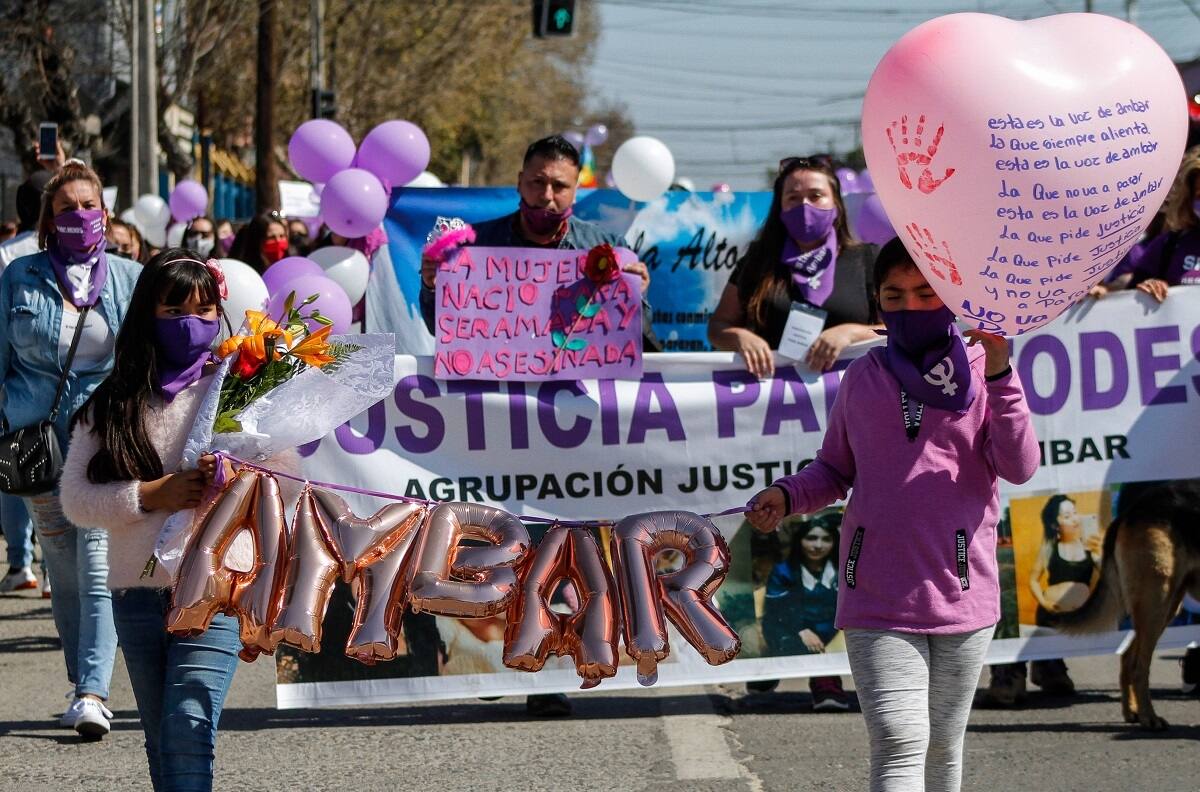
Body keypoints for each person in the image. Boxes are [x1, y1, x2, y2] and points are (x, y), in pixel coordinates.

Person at [746, 237, 1039, 791]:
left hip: (961, 593)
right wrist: (787, 496)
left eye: (927, 293)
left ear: (952, 297)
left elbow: (1020, 466)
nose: (910, 306)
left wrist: (1001, 376)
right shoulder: (862, 376)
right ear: (878, 305)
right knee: (901, 742)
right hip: (875, 593)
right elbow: (834, 470)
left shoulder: (983, 368)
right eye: (894, 294)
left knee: (943, 751)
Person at [60, 250, 243, 790]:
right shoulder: (112, 402)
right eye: (176, 310)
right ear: (146, 314)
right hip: (136, 593)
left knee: (189, 721)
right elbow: (75, 498)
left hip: (214, 588)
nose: (194, 323)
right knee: (163, 737)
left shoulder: (236, 390)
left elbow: (282, 476)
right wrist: (150, 494)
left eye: (206, 310)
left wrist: (236, 474)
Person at [0, 160, 142, 739]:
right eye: (67, 209)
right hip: (36, 439)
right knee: (62, 567)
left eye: (89, 206)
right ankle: (79, 678)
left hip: (101, 435)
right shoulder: (19, 276)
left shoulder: (130, 277)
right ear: (48, 220)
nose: (80, 216)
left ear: (104, 213)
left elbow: (143, 361)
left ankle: (92, 691)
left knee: (98, 558)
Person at [418, 134, 662, 354]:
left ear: (575, 191)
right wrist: (432, 287)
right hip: (497, 396)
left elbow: (635, 338)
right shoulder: (473, 247)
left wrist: (634, 297)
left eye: (559, 186)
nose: (546, 195)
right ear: (520, 182)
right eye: (537, 182)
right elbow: (438, 328)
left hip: (576, 397)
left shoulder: (609, 249)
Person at [708, 156, 880, 377]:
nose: (805, 206)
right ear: (780, 207)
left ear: (836, 203)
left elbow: (894, 330)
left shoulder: (867, 259)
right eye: (793, 198)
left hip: (852, 396)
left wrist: (851, 333)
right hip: (777, 402)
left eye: (816, 196)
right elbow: (718, 326)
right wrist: (739, 338)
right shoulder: (758, 261)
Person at [984, 495, 1102, 705]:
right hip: (1048, 613)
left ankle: (1049, 661)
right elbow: (1033, 580)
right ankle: (1009, 669)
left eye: (1074, 513)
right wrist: (1045, 602)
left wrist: (1099, 556)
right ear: (1055, 523)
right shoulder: (1049, 548)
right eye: (1066, 515)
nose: (1074, 519)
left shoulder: (1090, 548)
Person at [0, 170, 55, 595]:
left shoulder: (7, 256)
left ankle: (21, 563)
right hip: (67, 388)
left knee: (14, 475)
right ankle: (55, 568)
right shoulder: (77, 256)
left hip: (18, 388)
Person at [760, 513, 849, 711]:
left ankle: (828, 687)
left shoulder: (843, 570)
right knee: (786, 641)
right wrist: (802, 630)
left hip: (831, 627)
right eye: (811, 538)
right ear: (799, 540)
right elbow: (776, 609)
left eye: (826, 539)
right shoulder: (783, 571)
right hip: (789, 625)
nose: (818, 545)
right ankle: (765, 672)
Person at [1090, 149, 1200, 302]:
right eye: (1199, 195)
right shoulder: (1167, 246)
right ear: (1188, 200)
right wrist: (1147, 287)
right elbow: (1127, 304)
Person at [227, 210, 289, 274]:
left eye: (282, 236)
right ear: (257, 241)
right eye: (271, 237)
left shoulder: (289, 269)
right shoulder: (244, 273)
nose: (278, 241)